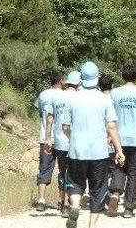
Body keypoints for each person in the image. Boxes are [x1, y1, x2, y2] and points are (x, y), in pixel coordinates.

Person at [62, 61, 125, 228]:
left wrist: (72, 138)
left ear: (81, 79)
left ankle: (75, 206)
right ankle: (92, 225)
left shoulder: (73, 99)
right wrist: (119, 150)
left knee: (75, 184)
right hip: (99, 153)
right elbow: (111, 126)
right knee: (98, 189)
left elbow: (65, 127)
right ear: (97, 78)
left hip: (77, 152)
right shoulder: (105, 99)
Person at [107, 65, 136, 218]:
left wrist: (109, 134)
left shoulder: (114, 93)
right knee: (134, 173)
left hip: (118, 138)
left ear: (122, 76)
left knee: (119, 168)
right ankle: (129, 208)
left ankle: (115, 193)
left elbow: (109, 116)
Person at [43, 70, 81, 217]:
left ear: (67, 82)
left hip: (59, 142)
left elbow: (50, 119)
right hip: (75, 142)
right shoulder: (79, 98)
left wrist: (47, 139)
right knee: (74, 173)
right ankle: (70, 204)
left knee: (62, 171)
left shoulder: (57, 97)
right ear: (78, 83)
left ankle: (62, 201)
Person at [34, 68, 66, 212]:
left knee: (44, 168)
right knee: (64, 170)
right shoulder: (65, 96)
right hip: (61, 138)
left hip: (45, 138)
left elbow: (42, 112)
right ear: (61, 81)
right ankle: (61, 201)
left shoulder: (42, 94)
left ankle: (41, 200)